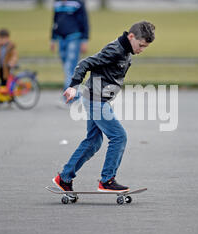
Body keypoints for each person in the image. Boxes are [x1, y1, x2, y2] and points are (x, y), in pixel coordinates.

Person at [52, 21, 156, 192]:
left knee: (93, 142)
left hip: (97, 98)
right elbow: (85, 63)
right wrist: (73, 86)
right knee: (119, 136)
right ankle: (107, 181)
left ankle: (64, 178)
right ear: (131, 37)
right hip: (95, 100)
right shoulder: (115, 50)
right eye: (141, 45)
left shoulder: (126, 50)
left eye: (145, 47)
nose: (141, 50)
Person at [50, 0, 89, 104]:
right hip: (61, 39)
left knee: (70, 67)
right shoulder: (57, 2)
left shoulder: (78, 2)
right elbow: (55, 21)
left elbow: (84, 21)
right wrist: (52, 39)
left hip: (74, 37)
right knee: (67, 67)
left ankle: (69, 97)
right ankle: (75, 93)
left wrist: (84, 40)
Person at [0, 28, 19, 103]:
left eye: (3, 39)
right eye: (0, 39)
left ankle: (10, 99)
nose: (1, 41)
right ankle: (1, 99)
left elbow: (15, 55)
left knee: (8, 84)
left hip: (8, 68)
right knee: (1, 84)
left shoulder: (10, 46)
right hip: (0, 68)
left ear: (7, 38)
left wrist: (12, 62)